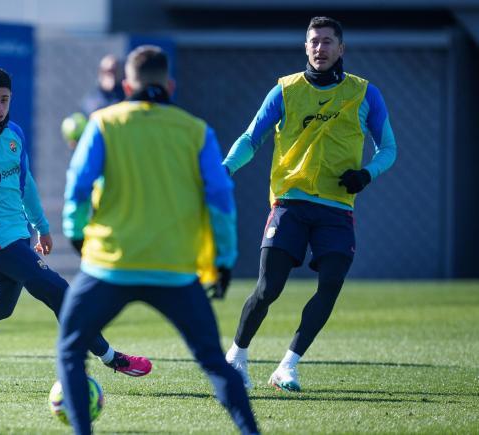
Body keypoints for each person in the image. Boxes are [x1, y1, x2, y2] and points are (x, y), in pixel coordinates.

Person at [57, 45, 259, 435]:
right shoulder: (196, 130)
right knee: (215, 363)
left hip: (110, 266)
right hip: (174, 269)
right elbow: (220, 198)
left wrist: (76, 234)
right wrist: (225, 259)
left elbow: (78, 188)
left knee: (70, 351)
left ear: (127, 84)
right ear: (169, 84)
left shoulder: (103, 122)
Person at [0, 66, 152, 391]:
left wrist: (41, 226)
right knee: (59, 291)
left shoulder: (15, 135)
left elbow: (26, 185)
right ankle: (110, 357)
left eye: (4, 100)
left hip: (19, 235)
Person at [223, 17, 397, 392]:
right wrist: (225, 170)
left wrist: (366, 174)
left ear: (341, 48)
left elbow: (389, 149)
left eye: (328, 41)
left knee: (331, 283)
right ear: (305, 48)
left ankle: (288, 366)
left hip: (337, 208)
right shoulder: (284, 90)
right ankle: (236, 356)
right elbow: (252, 138)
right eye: (314, 41)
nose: (320, 48)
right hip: (289, 203)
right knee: (269, 288)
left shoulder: (365, 94)